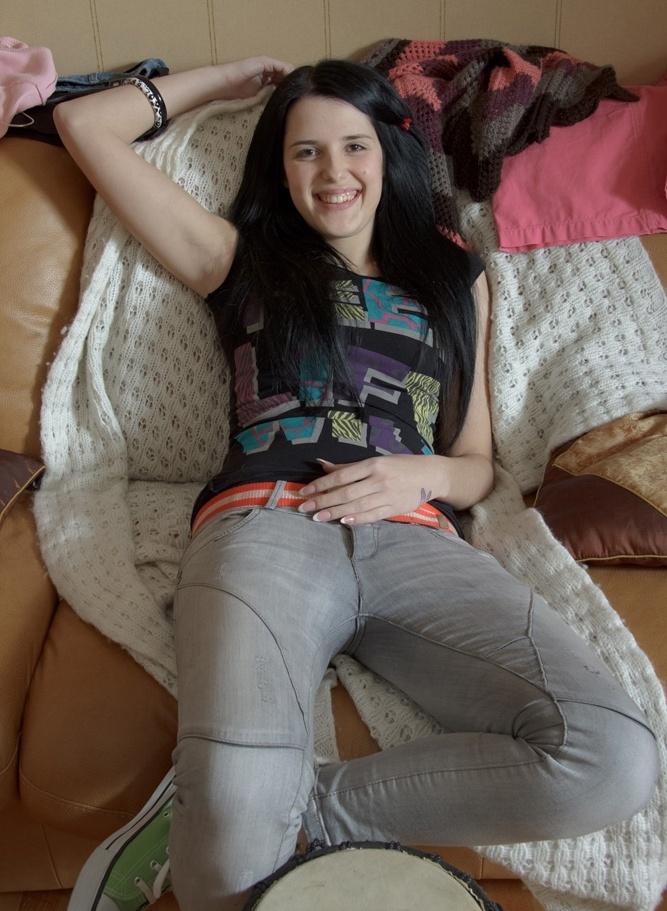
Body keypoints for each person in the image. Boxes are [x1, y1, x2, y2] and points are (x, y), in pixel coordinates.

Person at [56, 57, 659, 911]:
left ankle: (290, 813)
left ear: (387, 154)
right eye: (304, 151)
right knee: (226, 857)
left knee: (612, 758)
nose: (332, 171)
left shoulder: (454, 280)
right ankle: (232, 812)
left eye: (353, 146)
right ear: (279, 169)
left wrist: (417, 473)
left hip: (418, 540)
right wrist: (227, 80)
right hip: (266, 523)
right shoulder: (238, 259)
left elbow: (475, 463)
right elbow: (85, 126)